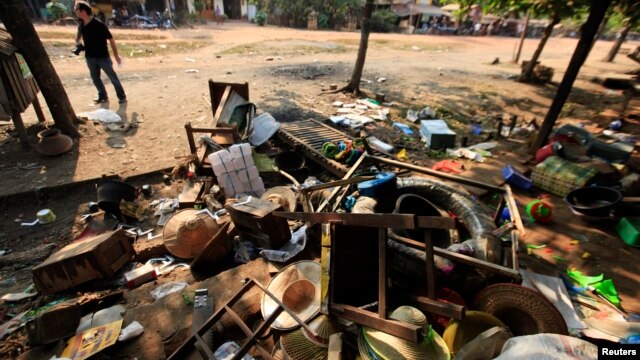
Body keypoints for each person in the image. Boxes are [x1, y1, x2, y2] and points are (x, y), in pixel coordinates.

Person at [74, 1, 126, 104]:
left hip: (103, 57)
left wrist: (116, 56)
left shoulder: (99, 25)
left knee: (113, 78)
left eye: (76, 9)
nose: (74, 11)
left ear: (83, 11)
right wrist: (78, 44)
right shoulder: (81, 24)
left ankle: (122, 97)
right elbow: (77, 39)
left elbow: (111, 39)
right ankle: (102, 95)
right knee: (95, 78)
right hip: (90, 57)